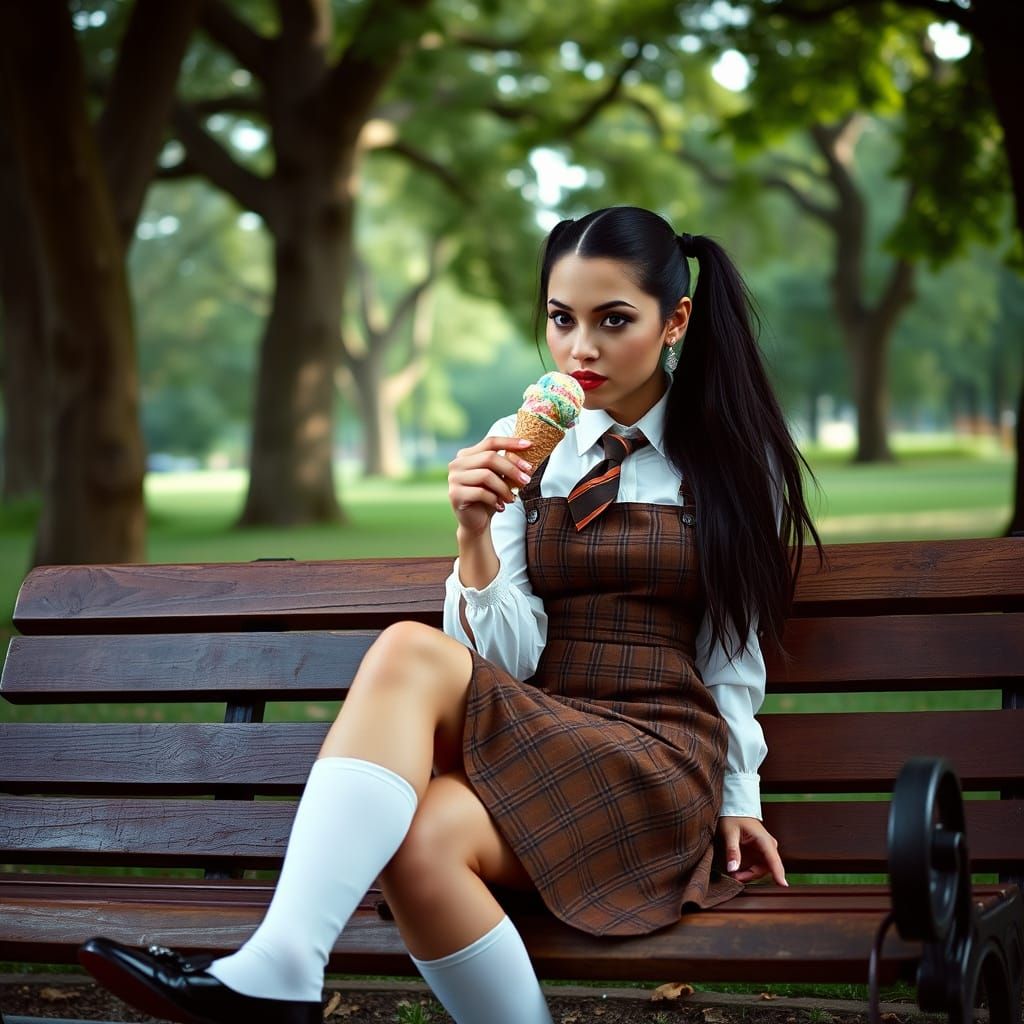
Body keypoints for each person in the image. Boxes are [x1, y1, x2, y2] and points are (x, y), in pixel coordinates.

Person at [78, 205, 821, 1024]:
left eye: (614, 321)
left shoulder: (730, 458)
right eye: (561, 319)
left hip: (655, 757)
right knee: (423, 840)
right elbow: (507, 661)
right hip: (540, 724)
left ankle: (280, 968)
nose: (581, 349)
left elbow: (731, 652)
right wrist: (474, 535)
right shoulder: (519, 444)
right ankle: (282, 970)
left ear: (675, 320)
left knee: (406, 649)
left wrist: (738, 797)